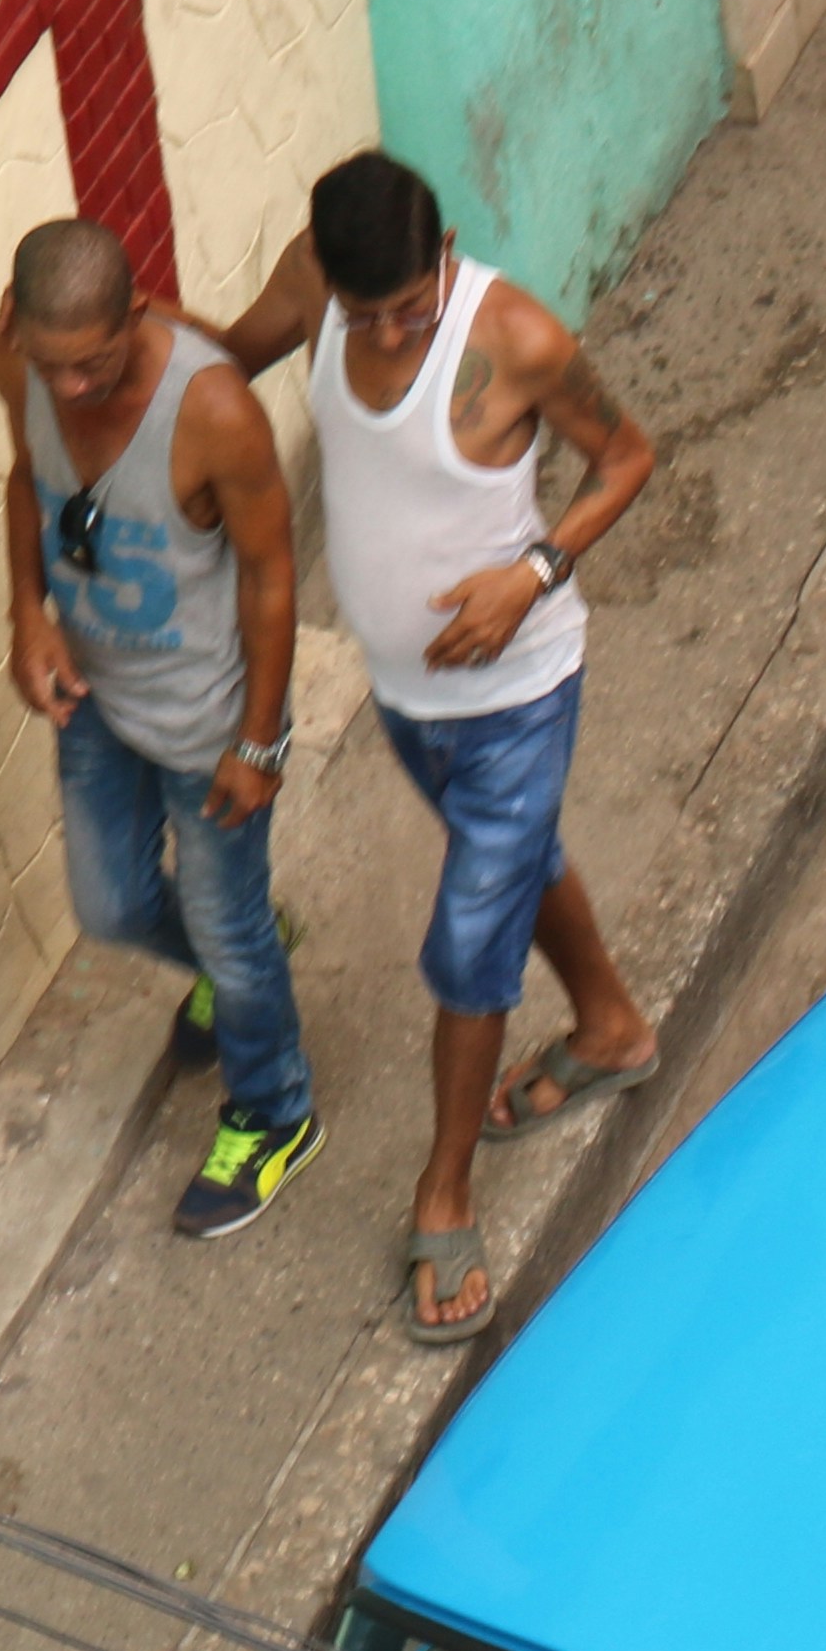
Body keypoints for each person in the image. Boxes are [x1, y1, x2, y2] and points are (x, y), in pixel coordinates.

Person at [213, 151, 664, 1346]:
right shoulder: (313, 288)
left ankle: (444, 1192)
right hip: (411, 697)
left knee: (470, 942)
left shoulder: (514, 337)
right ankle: (612, 1027)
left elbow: (628, 458)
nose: (395, 332)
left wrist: (534, 573)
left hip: (519, 688)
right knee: (513, 864)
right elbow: (221, 360)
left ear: (448, 254)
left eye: (413, 305)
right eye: (370, 316)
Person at [0, 221, 310, 1238]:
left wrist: (258, 743)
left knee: (226, 924)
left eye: (93, 364)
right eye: (53, 368)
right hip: (95, 694)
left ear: (136, 317)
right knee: (113, 906)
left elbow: (270, 573)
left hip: (207, 718)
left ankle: (273, 1111)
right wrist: (26, 609)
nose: (72, 390)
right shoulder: (24, 364)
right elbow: (23, 479)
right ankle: (249, 960)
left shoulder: (212, 411)